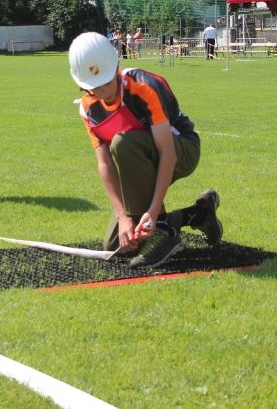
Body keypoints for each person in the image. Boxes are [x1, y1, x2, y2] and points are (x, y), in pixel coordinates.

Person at [68, 32, 223, 268]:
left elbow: (167, 152)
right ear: (81, 85)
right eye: (95, 87)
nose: (105, 90)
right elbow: (105, 164)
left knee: (123, 142)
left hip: (182, 150)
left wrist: (151, 212)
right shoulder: (88, 110)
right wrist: (122, 217)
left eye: (108, 80)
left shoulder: (143, 86)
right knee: (116, 245)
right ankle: (199, 214)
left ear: (117, 65)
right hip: (141, 161)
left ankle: (165, 233)